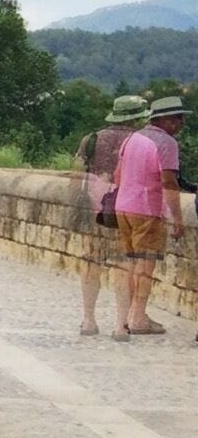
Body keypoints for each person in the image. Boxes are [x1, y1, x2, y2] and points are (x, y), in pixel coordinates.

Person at [114, 94, 185, 337]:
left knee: (133, 264)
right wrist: (177, 218)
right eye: (177, 119)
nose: (180, 125)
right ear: (164, 120)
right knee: (145, 266)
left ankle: (129, 314)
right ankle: (138, 317)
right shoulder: (166, 143)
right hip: (147, 210)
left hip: (124, 207)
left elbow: (117, 175)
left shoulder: (132, 138)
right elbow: (169, 182)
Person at [76, 95, 145, 336]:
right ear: (138, 117)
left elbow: (79, 174)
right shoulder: (140, 142)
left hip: (94, 210)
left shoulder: (91, 139)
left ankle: (88, 320)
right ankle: (120, 326)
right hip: (126, 209)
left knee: (90, 262)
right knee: (124, 265)